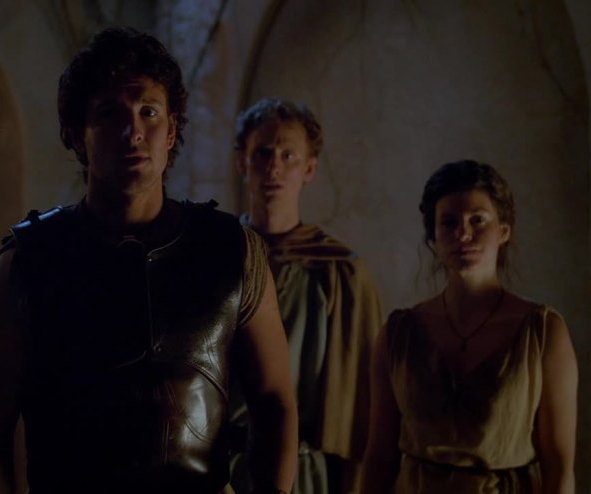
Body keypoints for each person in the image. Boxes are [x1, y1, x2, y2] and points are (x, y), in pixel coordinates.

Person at [0, 27, 298, 494]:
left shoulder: (232, 251)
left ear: (172, 130)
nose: (133, 131)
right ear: (76, 135)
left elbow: (275, 402)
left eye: (149, 112)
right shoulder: (24, 265)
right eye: (110, 113)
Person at [360, 160, 578, 493]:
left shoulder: (542, 331)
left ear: (503, 231)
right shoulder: (399, 334)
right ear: (433, 237)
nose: (463, 234)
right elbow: (379, 459)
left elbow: (559, 466)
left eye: (477, 220)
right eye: (449, 222)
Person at [229, 98, 384, 494]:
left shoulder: (340, 272)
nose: (274, 167)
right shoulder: (218, 258)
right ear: (243, 162)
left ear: (309, 169)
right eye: (263, 153)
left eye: (288, 156)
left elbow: (361, 400)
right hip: (222, 468)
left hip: (305, 473)